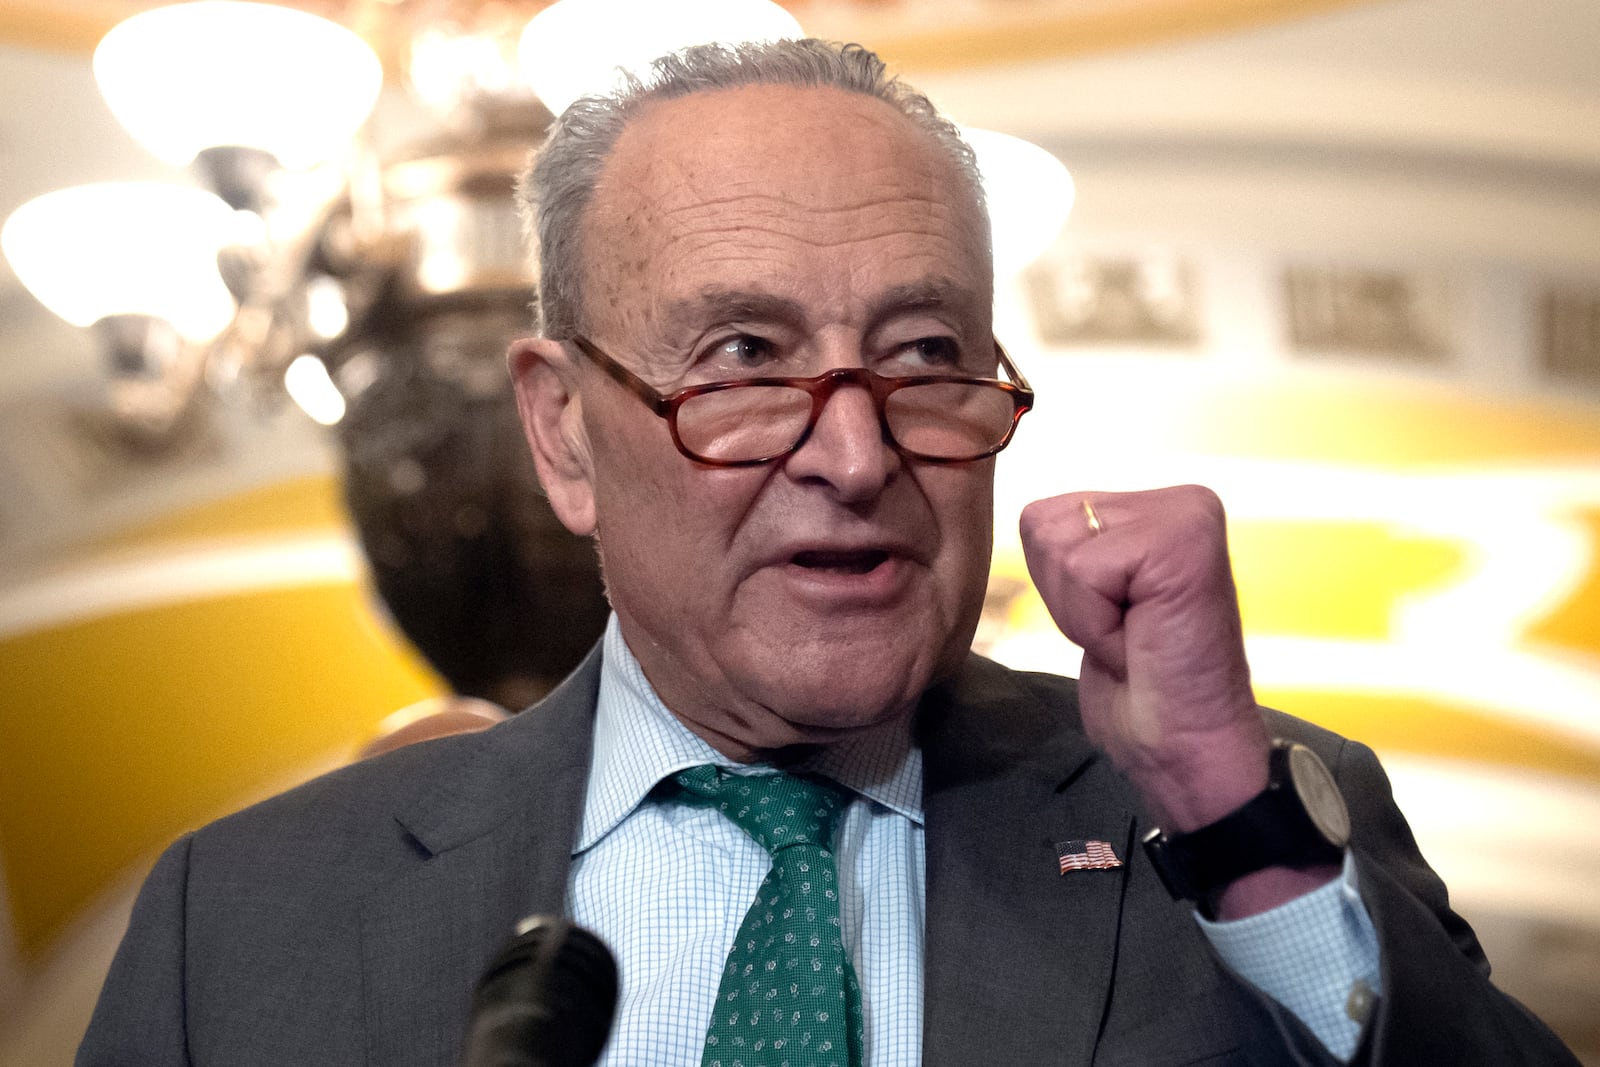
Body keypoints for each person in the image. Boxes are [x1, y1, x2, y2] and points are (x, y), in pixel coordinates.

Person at [78, 39, 1578, 1067]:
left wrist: (1238, 836)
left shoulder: (1235, 823)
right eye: (742, 355)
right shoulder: (251, 919)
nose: (856, 459)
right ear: (561, 432)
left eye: (926, 353)